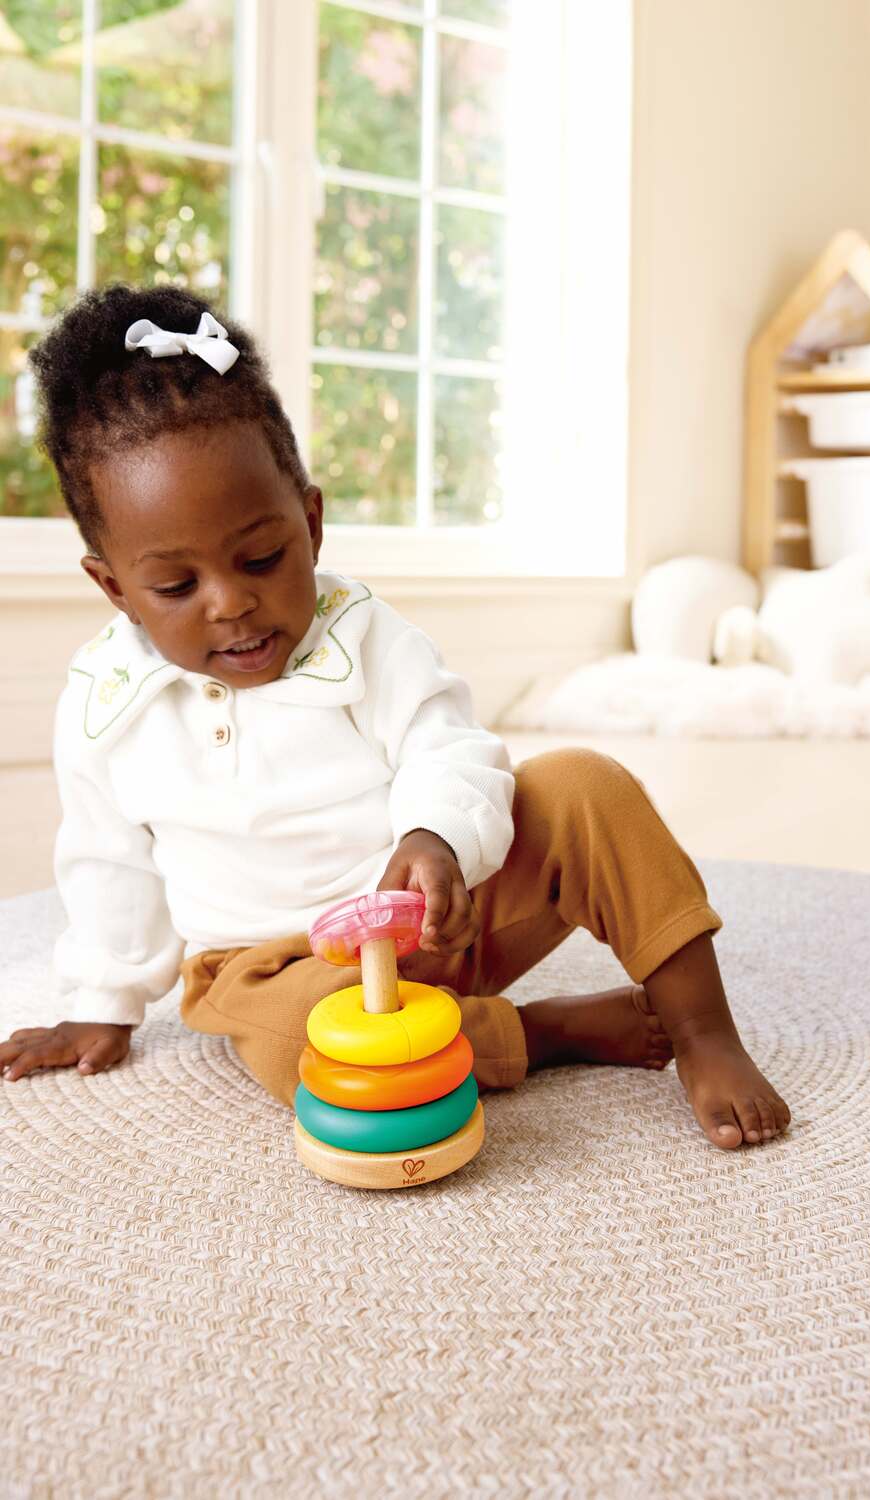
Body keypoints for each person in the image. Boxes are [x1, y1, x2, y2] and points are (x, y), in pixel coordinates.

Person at [0, 285, 791, 1151]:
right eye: (176, 586)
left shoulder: (364, 639)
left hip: (440, 913)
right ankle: (542, 1034)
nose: (231, 604)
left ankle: (701, 1031)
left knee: (586, 787)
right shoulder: (105, 707)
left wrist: (435, 837)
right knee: (303, 1042)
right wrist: (100, 1008)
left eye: (262, 557)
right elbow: (110, 867)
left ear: (311, 523)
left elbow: (449, 746)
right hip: (279, 966)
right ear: (113, 587)